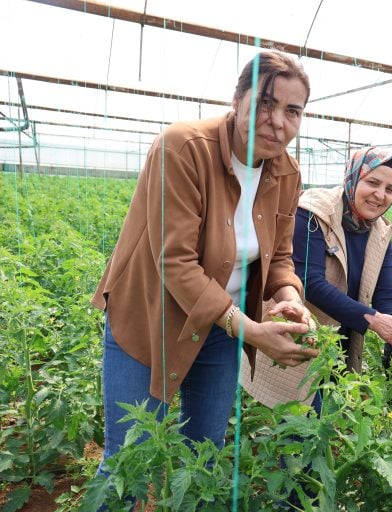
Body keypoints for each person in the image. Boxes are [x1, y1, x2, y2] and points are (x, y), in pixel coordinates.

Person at [91, 50, 317, 477]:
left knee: (204, 457)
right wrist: (253, 331)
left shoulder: (286, 172)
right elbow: (175, 262)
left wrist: (290, 298)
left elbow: (281, 256)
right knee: (128, 463)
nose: (277, 121)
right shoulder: (183, 147)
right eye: (265, 103)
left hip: (218, 327)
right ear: (237, 100)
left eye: (292, 111)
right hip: (150, 317)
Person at [285, 146, 392, 375]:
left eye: (390, 189)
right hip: (300, 335)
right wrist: (373, 319)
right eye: (373, 183)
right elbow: (309, 281)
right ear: (353, 177)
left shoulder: (380, 232)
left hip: (341, 347)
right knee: (297, 408)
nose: (380, 195)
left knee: (333, 406)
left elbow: (386, 295)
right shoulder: (314, 212)